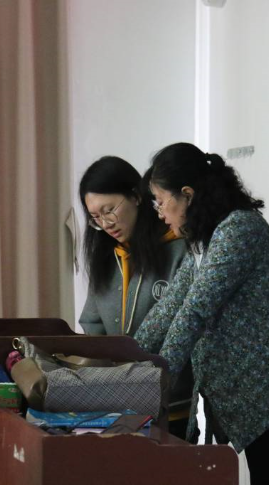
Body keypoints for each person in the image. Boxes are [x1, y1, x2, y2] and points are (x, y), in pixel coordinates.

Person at [135, 143, 269, 485]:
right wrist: (126, 360)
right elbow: (167, 310)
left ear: (187, 195)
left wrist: (153, 382)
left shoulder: (239, 230)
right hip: (264, 407)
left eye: (161, 202)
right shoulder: (203, 242)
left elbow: (194, 313)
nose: (160, 213)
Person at [77, 156, 195, 440]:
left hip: (170, 408)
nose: (105, 223)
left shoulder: (179, 250)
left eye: (109, 210)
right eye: (95, 218)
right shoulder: (107, 258)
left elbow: (188, 327)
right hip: (115, 407)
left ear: (136, 196)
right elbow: (93, 324)